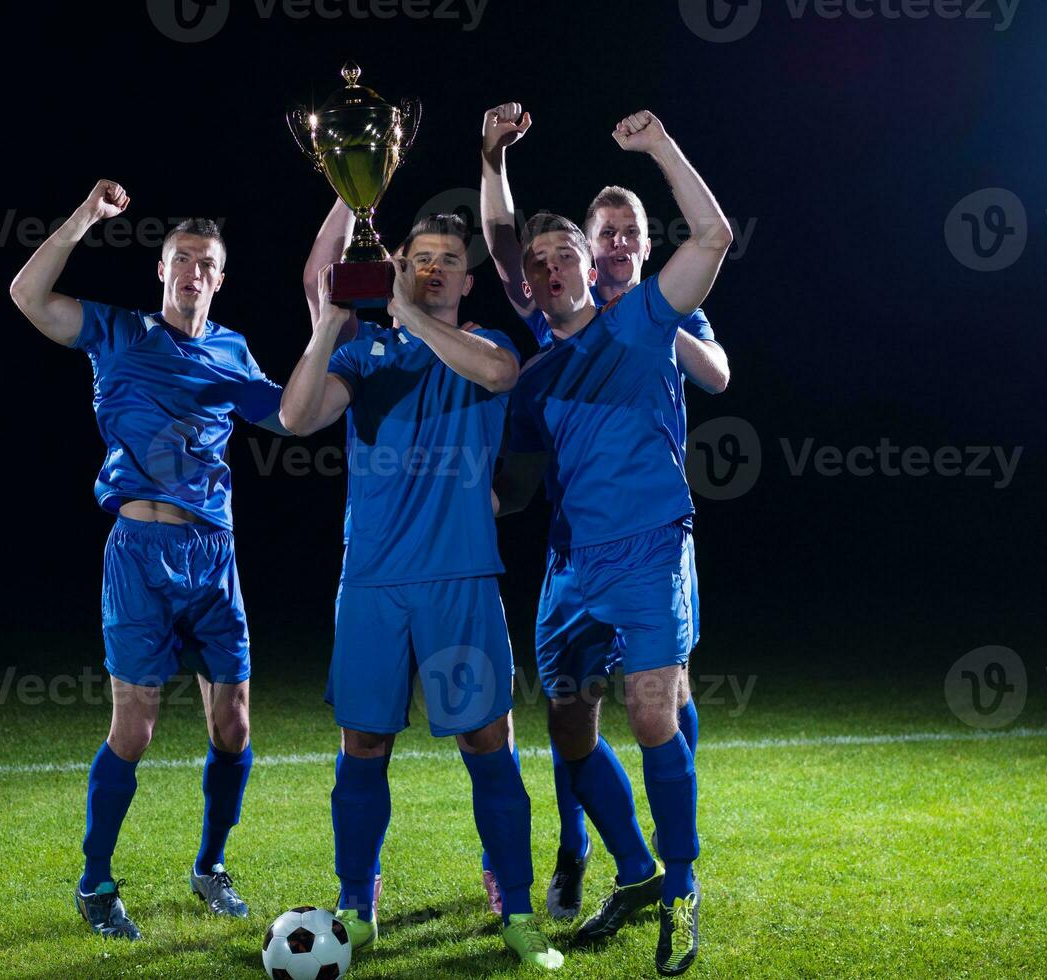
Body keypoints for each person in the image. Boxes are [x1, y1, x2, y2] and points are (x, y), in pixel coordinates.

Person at [279, 212, 563, 970]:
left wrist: (405, 311)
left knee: (486, 742)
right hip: (372, 579)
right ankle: (353, 903)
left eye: (446, 260)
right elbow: (296, 416)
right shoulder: (365, 354)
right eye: (418, 257)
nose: (432, 267)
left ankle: (516, 904)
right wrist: (327, 326)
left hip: (460, 579)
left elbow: (501, 377)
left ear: (466, 281)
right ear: (397, 265)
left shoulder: (488, 346)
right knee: (364, 744)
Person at [9, 180, 287, 939]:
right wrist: (86, 218)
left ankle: (211, 865)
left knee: (232, 725)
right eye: (181, 258)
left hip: (214, 553)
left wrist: (339, 327)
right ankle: (95, 883)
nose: (193, 270)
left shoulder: (233, 349)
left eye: (206, 262)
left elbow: (291, 414)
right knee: (133, 729)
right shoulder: (119, 332)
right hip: (139, 552)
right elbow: (28, 294)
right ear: (161, 271)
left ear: (220, 279)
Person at [493, 110, 734, 976]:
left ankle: (680, 889)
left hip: (650, 547)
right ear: (528, 284)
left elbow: (711, 234)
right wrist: (491, 159)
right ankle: (631, 871)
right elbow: (498, 237)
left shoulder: (637, 322)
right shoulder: (533, 361)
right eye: (538, 263)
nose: (553, 269)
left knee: (651, 710)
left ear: (593, 264)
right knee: (567, 725)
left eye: (567, 255)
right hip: (567, 564)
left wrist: (662, 146)